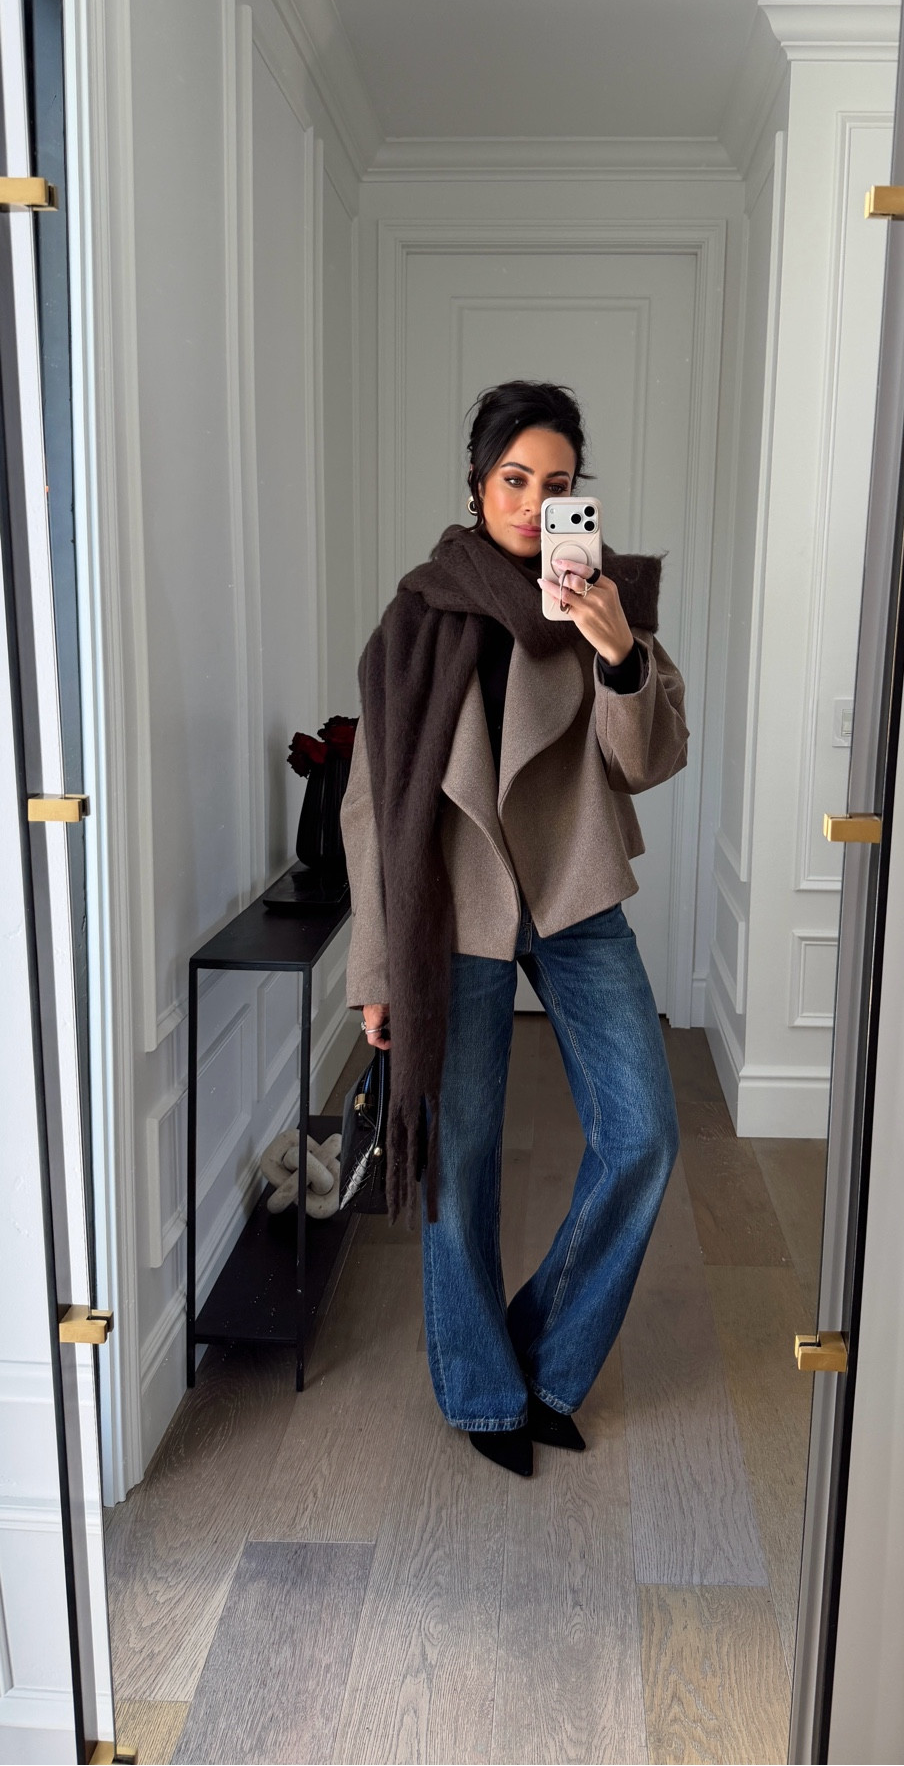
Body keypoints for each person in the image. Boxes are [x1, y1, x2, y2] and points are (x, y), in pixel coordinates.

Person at [341, 379, 689, 1477]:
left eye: (559, 484)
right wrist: (377, 965)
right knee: (460, 1153)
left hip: (573, 889)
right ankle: (481, 1388)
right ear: (477, 483)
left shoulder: (607, 599)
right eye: (515, 479)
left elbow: (649, 760)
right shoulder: (417, 618)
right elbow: (371, 805)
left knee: (644, 1132)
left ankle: (544, 1359)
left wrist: (619, 654)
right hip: (458, 904)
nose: (537, 504)